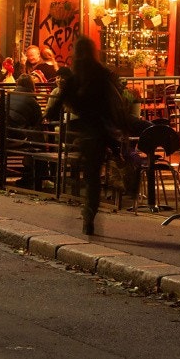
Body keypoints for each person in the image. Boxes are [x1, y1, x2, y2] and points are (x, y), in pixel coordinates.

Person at [62, 35, 142, 236]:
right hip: (104, 130)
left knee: (92, 178)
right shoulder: (102, 73)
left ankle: (89, 214)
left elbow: (61, 101)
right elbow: (115, 100)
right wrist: (122, 123)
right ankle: (127, 190)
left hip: (85, 133)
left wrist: (51, 113)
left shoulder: (75, 76)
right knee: (121, 161)